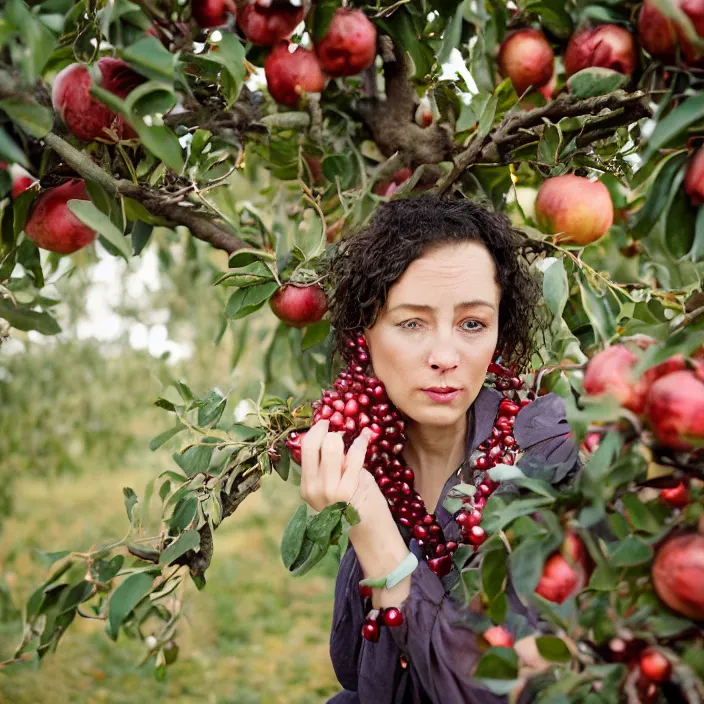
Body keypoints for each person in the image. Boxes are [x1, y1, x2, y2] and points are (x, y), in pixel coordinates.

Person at [298, 195, 580, 703]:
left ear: (499, 332)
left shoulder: (546, 456)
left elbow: (490, 689)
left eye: (473, 323)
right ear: (364, 333)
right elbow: (356, 670)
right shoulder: (373, 460)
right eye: (412, 323)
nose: (446, 357)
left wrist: (379, 540)